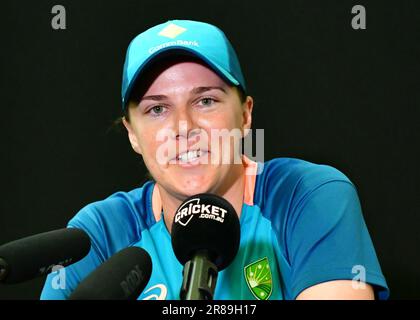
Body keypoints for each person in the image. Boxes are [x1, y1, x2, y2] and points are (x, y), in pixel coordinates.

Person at [40, 19, 389, 300]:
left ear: (246, 115)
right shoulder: (102, 231)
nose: (183, 127)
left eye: (205, 101)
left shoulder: (307, 196)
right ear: (132, 133)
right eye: (157, 109)